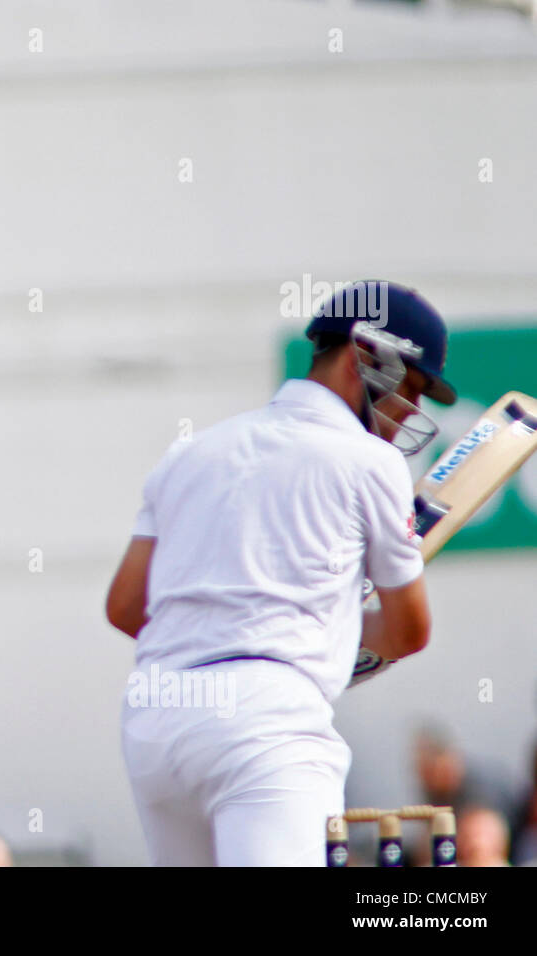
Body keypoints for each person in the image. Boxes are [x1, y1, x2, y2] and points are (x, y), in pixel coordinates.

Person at [106, 281, 448, 866]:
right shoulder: (373, 463)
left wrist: (257, 623)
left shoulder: (191, 453)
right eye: (409, 389)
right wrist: (332, 633)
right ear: (365, 356)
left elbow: (126, 607)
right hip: (265, 723)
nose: (407, 414)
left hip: (155, 722)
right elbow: (409, 631)